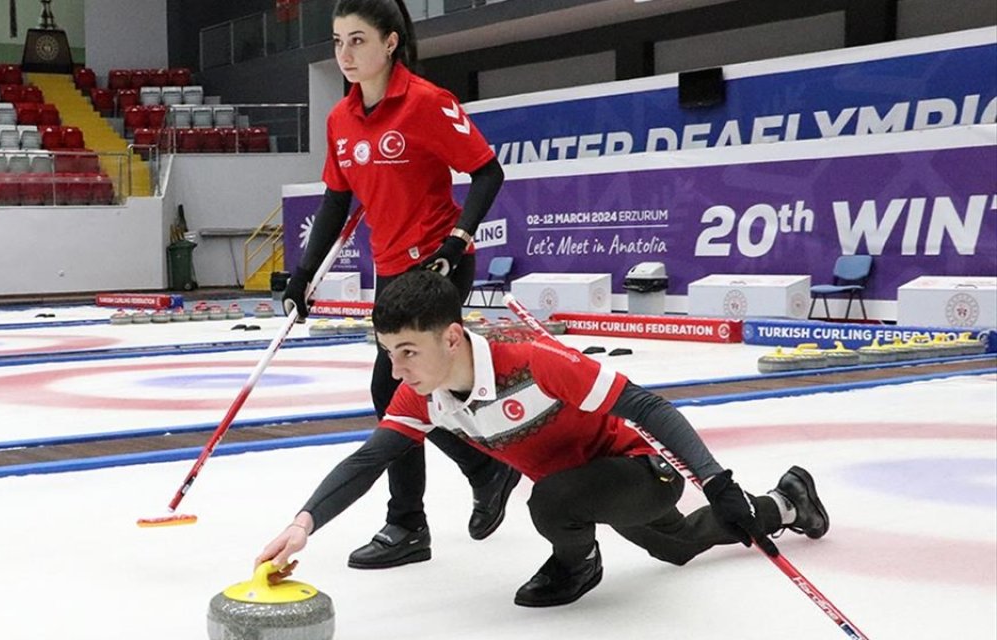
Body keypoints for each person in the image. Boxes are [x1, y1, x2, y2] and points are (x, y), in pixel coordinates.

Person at [259, 269, 830, 607]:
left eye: (408, 351)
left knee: (553, 498)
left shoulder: (534, 363)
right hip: (586, 487)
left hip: (636, 472)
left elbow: (648, 406)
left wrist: (716, 480)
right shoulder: (423, 396)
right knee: (677, 545)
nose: (397, 369)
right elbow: (369, 460)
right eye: (388, 354)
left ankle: (576, 565)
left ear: (452, 337)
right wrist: (301, 523)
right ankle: (786, 501)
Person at [281, 0, 520, 569]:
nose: (346, 54)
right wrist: (304, 273)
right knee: (402, 392)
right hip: (390, 270)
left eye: (358, 40)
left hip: (438, 265)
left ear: (390, 42)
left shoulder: (427, 103)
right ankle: (480, 473)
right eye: (338, 42)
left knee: (394, 391)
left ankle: (408, 522)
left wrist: (458, 238)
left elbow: (487, 171)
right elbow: (337, 200)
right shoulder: (341, 119)